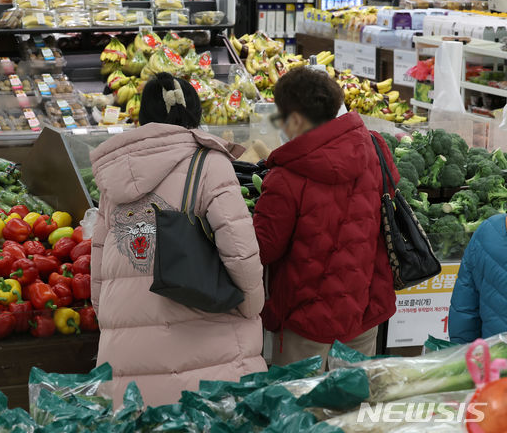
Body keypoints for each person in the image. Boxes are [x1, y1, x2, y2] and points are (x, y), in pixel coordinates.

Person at [89, 72, 266, 407]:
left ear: (143, 118)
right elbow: (241, 252)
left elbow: (98, 262)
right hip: (208, 344)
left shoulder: (113, 176)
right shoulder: (210, 163)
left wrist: (115, 323)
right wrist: (250, 306)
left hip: (128, 351)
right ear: (194, 113)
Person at [252, 68, 398, 369]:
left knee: (299, 409)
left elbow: (265, 248)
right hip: (364, 308)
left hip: (305, 322)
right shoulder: (374, 148)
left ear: (295, 119)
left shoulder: (286, 176)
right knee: (350, 408)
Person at [449, 214, 507, 343]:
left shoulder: (489, 230)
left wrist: (462, 352)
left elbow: (464, 305)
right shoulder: (488, 231)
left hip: (495, 354)